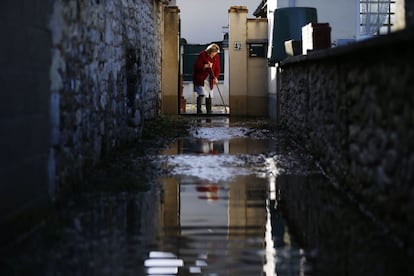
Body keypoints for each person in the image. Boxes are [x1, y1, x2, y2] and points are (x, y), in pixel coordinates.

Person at [193, 43, 220, 114]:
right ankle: (199, 110)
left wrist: (216, 77)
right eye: (213, 53)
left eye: (215, 53)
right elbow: (197, 66)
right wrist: (206, 66)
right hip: (201, 77)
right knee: (201, 93)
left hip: (210, 78)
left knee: (209, 94)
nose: (213, 55)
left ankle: (209, 110)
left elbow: (217, 68)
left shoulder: (216, 57)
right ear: (209, 51)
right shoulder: (202, 55)